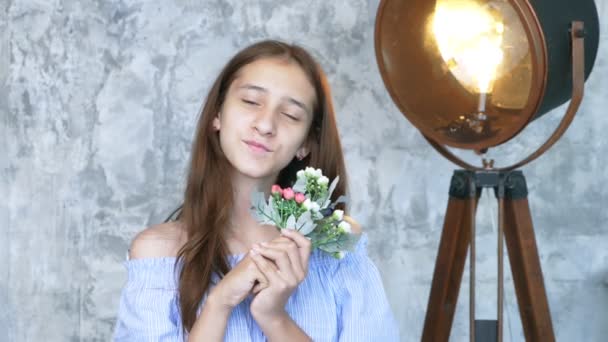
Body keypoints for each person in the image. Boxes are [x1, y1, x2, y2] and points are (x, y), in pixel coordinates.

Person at [113, 40, 399, 341]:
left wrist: (273, 317)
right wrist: (218, 303)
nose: (265, 124)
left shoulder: (337, 249)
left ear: (306, 143)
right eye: (250, 101)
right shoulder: (157, 255)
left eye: (290, 115)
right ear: (217, 114)